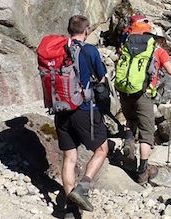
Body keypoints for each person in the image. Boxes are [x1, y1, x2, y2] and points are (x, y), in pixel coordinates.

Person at [115, 15, 171, 184]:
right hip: (143, 94)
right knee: (147, 133)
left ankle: (129, 142)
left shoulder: (126, 45)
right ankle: (143, 171)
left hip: (124, 91)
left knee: (130, 120)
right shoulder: (157, 51)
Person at [55, 15, 109, 216]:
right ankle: (83, 187)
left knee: (69, 157)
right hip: (83, 110)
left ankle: (70, 209)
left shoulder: (58, 49)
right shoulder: (88, 50)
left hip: (60, 109)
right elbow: (101, 77)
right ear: (86, 31)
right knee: (102, 149)